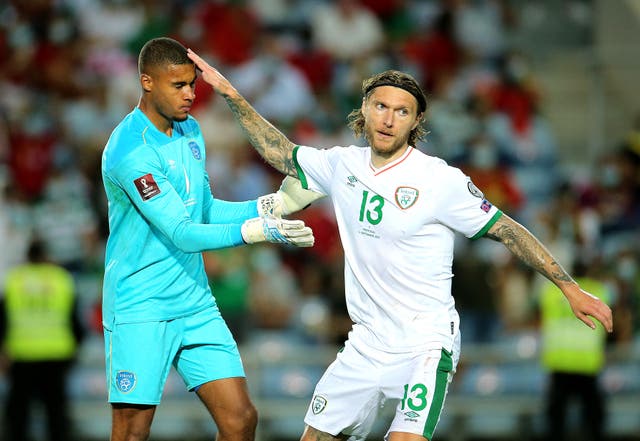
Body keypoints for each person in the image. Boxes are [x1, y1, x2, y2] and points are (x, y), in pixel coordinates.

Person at [187, 49, 614, 441]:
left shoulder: (440, 180)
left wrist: (568, 286)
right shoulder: (341, 164)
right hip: (365, 343)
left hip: (424, 346)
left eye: (402, 111)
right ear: (365, 112)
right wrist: (231, 95)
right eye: (381, 107)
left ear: (415, 122)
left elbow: (507, 229)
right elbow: (281, 152)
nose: (389, 119)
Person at [100, 37, 317, 441]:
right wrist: (258, 232)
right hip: (142, 305)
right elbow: (181, 234)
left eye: (192, 84)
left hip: (195, 302)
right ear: (147, 82)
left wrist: (273, 206)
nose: (190, 95)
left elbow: (203, 211)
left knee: (240, 420)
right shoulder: (129, 151)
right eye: (177, 85)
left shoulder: (190, 129)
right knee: (132, 432)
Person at [0, 238, 86, 441]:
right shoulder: (61, 279)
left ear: (27, 256)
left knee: (18, 413)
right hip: (56, 354)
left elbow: (2, 319)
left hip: (21, 354)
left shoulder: (14, 280)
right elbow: (74, 319)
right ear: (47, 256)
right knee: (55, 411)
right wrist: (76, 345)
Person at [538, 260, 611, 441]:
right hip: (587, 365)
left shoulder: (550, 292)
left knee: (556, 423)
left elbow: (540, 317)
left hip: (560, 363)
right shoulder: (599, 292)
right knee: (594, 421)